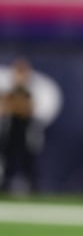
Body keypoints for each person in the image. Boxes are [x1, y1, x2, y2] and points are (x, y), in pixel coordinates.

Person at [0, 57, 41, 194]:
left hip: (25, 135)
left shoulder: (28, 93)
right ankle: (5, 189)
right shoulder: (8, 93)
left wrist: (15, 106)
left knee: (28, 165)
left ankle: (33, 190)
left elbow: (28, 110)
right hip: (10, 133)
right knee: (8, 165)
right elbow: (4, 110)